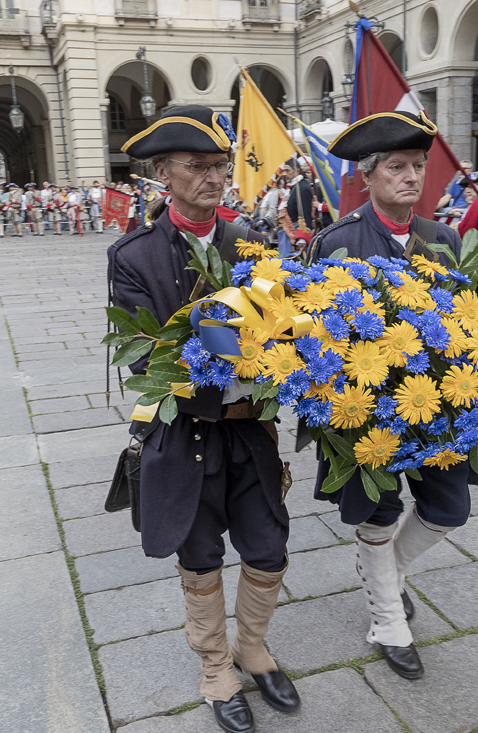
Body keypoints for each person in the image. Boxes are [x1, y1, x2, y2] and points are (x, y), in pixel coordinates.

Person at [110, 105, 300, 733]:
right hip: (184, 431)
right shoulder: (133, 254)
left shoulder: (249, 238)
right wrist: (238, 363)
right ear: (164, 172)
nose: (214, 177)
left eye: (220, 166)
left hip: (250, 430)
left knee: (269, 546)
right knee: (199, 555)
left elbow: (282, 323)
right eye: (197, 166)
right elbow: (144, 357)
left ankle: (252, 646)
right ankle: (216, 664)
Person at [308, 110, 478, 681]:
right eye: (397, 167)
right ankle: (388, 619)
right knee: (381, 511)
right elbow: (313, 333)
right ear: (368, 175)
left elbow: (470, 315)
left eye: (418, 166)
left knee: (449, 508)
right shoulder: (336, 242)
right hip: (366, 416)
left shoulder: (444, 238)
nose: (412, 177)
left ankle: (386, 573)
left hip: (439, 411)